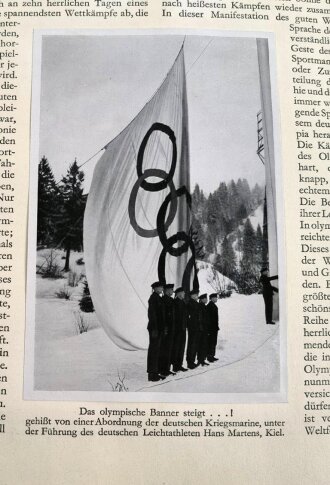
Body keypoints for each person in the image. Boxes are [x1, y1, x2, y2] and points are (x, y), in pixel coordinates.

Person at [147, 281, 165, 381]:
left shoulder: (158, 298)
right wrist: (154, 329)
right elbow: (152, 315)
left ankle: (155, 372)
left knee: (157, 351)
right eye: (161, 287)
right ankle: (152, 374)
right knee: (153, 351)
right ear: (155, 288)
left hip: (158, 329)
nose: (162, 288)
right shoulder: (153, 298)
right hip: (155, 329)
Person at [159, 283, 175, 377]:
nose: (172, 291)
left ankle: (167, 369)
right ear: (167, 290)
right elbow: (163, 316)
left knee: (169, 349)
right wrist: (165, 328)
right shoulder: (163, 300)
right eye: (171, 290)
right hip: (166, 329)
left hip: (171, 328)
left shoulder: (171, 300)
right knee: (164, 349)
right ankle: (163, 369)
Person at [172, 287, 188, 373]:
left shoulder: (183, 302)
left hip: (183, 328)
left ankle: (179, 365)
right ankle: (175, 366)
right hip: (177, 329)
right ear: (179, 294)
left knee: (181, 347)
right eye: (183, 292)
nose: (184, 294)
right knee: (176, 347)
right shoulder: (175, 303)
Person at [186, 289, 200, 369]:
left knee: (194, 345)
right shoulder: (190, 303)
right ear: (192, 295)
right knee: (191, 344)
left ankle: (192, 361)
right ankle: (190, 362)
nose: (197, 296)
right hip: (193, 327)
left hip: (196, 327)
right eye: (196, 295)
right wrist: (189, 325)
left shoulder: (195, 303)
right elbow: (189, 316)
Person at [197, 294, 209, 367]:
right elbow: (200, 318)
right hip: (202, 329)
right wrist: (202, 328)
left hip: (204, 328)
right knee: (201, 345)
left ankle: (202, 360)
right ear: (201, 300)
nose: (206, 300)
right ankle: (200, 360)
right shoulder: (200, 306)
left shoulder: (204, 306)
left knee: (204, 344)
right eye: (205, 299)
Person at [207, 293, 219, 362]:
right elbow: (209, 319)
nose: (216, 298)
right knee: (211, 342)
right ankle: (209, 356)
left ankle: (212, 355)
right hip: (211, 328)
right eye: (215, 297)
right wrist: (209, 329)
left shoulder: (213, 305)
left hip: (214, 328)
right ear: (211, 298)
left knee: (214, 342)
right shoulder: (210, 306)